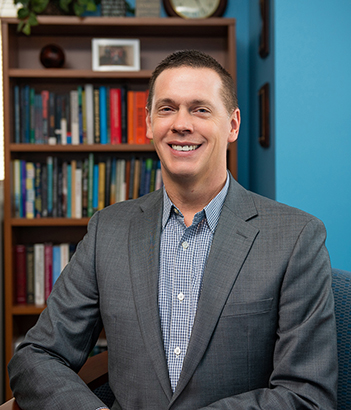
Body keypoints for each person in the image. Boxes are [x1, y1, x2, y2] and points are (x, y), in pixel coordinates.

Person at [8, 50, 338, 410]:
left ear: (232, 125)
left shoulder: (295, 237)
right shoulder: (108, 230)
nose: (181, 124)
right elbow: (37, 355)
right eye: (167, 108)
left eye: (200, 109)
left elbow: (308, 395)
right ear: (149, 122)